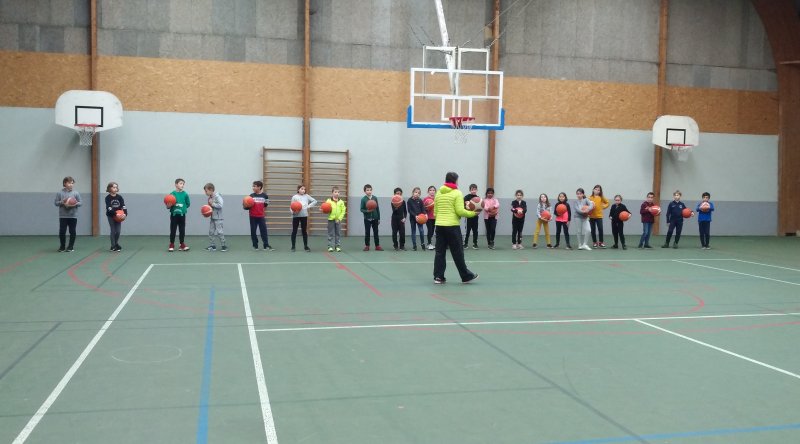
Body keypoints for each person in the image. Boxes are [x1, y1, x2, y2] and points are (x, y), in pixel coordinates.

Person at [433, 172, 479, 284]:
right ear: (455, 180)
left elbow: (435, 212)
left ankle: (438, 277)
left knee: (439, 252)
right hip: (452, 226)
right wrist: (473, 213)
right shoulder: (457, 193)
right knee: (457, 252)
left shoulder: (438, 193)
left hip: (439, 225)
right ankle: (466, 276)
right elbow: (460, 211)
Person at [55, 176, 81, 252]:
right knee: (62, 231)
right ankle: (62, 247)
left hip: (73, 216)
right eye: (69, 183)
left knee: (72, 231)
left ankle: (70, 247)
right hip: (63, 216)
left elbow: (80, 203)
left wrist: (75, 204)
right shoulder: (60, 193)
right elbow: (56, 203)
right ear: (64, 183)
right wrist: (62, 202)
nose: (71, 184)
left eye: (72, 183)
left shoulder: (76, 193)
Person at [247, 180, 274, 251]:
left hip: (261, 217)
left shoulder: (265, 196)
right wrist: (245, 206)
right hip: (252, 216)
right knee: (253, 231)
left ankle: (266, 245)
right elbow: (247, 206)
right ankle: (255, 246)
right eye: (253, 186)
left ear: (259, 187)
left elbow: (266, 204)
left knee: (263, 231)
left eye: (254, 186)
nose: (253, 187)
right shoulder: (251, 196)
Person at [290, 184, 317, 252]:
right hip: (296, 216)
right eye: (302, 189)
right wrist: (293, 212)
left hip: (304, 216)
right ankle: (293, 246)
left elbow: (315, 201)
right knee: (294, 231)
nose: (303, 190)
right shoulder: (294, 197)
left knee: (304, 231)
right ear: (298, 189)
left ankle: (306, 246)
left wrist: (308, 206)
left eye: (304, 189)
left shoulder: (306, 196)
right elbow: (291, 206)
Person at [168, 178, 190, 252]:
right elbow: (168, 205)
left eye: (183, 184)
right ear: (176, 184)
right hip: (174, 215)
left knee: (182, 230)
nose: (182, 185)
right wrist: (169, 206)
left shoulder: (185, 194)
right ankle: (171, 244)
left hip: (182, 215)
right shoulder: (172, 194)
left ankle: (182, 244)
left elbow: (188, 204)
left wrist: (183, 208)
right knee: (173, 230)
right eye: (180, 183)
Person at [204, 183, 227, 252]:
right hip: (212, 218)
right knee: (211, 232)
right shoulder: (210, 198)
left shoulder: (217, 196)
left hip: (218, 218)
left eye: (206, 191)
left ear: (211, 190)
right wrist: (206, 211)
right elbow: (210, 208)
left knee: (220, 232)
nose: (205, 192)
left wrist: (212, 204)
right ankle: (212, 246)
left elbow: (220, 205)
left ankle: (223, 245)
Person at [105, 181, 127, 252]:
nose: (115, 189)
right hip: (111, 216)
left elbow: (123, 206)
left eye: (116, 187)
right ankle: (113, 246)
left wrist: (125, 214)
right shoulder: (107, 198)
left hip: (118, 217)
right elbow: (109, 207)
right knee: (113, 230)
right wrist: (115, 214)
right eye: (113, 187)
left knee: (118, 231)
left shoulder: (119, 197)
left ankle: (116, 243)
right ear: (110, 188)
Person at [361, 184, 382, 251]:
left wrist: (378, 218)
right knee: (367, 232)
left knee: (376, 232)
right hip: (367, 219)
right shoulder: (363, 199)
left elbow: (377, 209)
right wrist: (367, 211)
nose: (369, 191)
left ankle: (377, 246)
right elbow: (361, 209)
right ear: (365, 191)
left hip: (375, 218)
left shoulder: (375, 198)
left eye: (370, 190)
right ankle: (367, 246)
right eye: (367, 190)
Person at [325, 186, 346, 252]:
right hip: (331, 220)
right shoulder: (328, 201)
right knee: (330, 233)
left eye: (338, 192)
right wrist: (323, 210)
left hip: (338, 221)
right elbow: (325, 208)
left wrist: (339, 219)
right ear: (332, 193)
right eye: (335, 192)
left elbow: (343, 211)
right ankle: (330, 246)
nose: (337, 193)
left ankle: (337, 246)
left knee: (338, 233)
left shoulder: (341, 202)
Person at [406, 187, 426, 251]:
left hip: (420, 218)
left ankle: (422, 244)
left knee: (421, 231)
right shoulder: (409, 200)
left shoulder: (420, 200)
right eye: (416, 192)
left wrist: (425, 214)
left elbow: (423, 208)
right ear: (413, 193)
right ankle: (414, 246)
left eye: (419, 193)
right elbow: (409, 210)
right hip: (413, 218)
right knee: (413, 231)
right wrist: (415, 216)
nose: (417, 194)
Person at [463, 183, 479, 249]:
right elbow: (463, 206)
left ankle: (475, 243)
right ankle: (465, 243)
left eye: (475, 189)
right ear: (470, 190)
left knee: (475, 231)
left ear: (477, 190)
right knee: (467, 231)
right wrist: (466, 207)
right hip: (468, 217)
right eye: (472, 189)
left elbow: (480, 207)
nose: (474, 191)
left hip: (475, 217)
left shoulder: (478, 198)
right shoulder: (466, 197)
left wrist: (478, 212)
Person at [425, 185, 436, 250]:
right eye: (430, 190)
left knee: (433, 231)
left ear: (435, 191)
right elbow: (423, 208)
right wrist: (427, 208)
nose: (432, 191)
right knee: (430, 230)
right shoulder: (426, 199)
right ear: (428, 191)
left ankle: (430, 243)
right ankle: (429, 244)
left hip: (435, 218)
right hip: (428, 218)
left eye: (433, 190)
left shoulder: (436, 199)